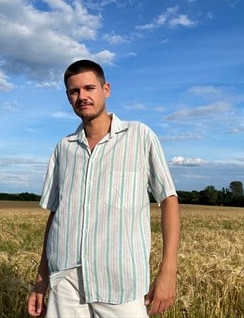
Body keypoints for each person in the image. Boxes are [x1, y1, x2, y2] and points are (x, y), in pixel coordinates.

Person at [28, 59, 180, 318]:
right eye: (74, 91)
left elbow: (168, 199)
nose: (82, 96)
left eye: (89, 88)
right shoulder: (63, 148)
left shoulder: (139, 136)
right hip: (66, 281)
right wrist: (42, 279)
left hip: (120, 282)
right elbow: (55, 216)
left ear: (106, 89)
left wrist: (168, 271)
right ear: (68, 97)